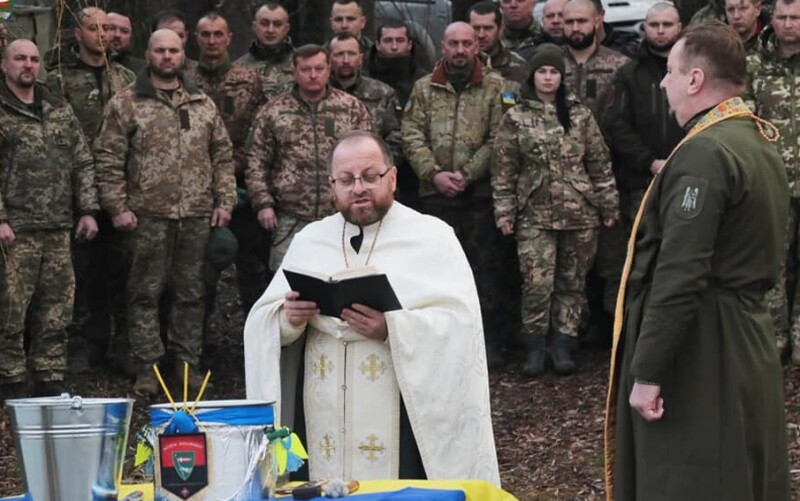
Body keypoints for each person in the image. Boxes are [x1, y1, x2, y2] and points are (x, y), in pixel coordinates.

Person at [244, 130, 500, 484]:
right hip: (321, 413)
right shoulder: (310, 240)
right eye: (346, 180)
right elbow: (262, 322)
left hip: (401, 416)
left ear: (392, 178)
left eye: (369, 176)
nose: (358, 188)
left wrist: (391, 329)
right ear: (332, 186)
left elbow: (459, 326)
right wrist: (288, 320)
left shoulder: (432, 237)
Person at [606, 22, 791, 501]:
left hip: (704, 349)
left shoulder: (706, 153)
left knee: (693, 476)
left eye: (670, 72)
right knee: (739, 470)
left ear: (695, 80)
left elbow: (680, 271)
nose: (662, 83)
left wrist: (648, 371)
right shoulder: (753, 140)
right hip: (744, 337)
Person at [94, 29, 237, 396]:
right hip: (146, 217)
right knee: (144, 294)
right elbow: (108, 159)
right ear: (148, 54)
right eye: (160, 50)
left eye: (174, 50)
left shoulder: (201, 102)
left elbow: (222, 156)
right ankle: (148, 368)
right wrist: (117, 207)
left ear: (182, 54)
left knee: (191, 294)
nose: (167, 56)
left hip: (196, 216)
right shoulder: (127, 102)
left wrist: (224, 201)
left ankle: (187, 366)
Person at [492, 44, 618, 376]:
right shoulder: (516, 117)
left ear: (562, 78)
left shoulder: (580, 115)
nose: (548, 78)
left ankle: (563, 344)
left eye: (554, 72)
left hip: (579, 212)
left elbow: (599, 162)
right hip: (534, 213)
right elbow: (504, 169)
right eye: (542, 72)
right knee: (537, 283)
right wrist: (504, 211)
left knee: (572, 282)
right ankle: (535, 346)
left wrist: (608, 203)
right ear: (532, 76)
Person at [402, 22, 515, 368]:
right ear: (443, 46)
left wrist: (466, 175)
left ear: (477, 46)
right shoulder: (424, 88)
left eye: (467, 43)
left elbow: (500, 136)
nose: (460, 50)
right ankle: (440, 342)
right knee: (437, 271)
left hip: (478, 196)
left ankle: (489, 342)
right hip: (435, 196)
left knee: (486, 271)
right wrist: (433, 174)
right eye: (454, 43)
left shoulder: (496, 86)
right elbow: (411, 133)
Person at [0, 39, 99, 400]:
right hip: (16, 229)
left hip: (58, 226)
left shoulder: (58, 108)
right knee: (10, 308)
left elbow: (82, 160)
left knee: (57, 308)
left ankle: (49, 374)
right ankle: (10, 376)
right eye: (19, 58)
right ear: (4, 65)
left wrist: (88, 210)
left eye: (33, 59)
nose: (28, 65)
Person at [46, 6, 136, 374]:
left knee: (123, 270)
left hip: (121, 189)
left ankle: (123, 346)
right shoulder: (57, 79)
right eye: (93, 27)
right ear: (77, 34)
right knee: (80, 274)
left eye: (107, 28)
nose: (103, 34)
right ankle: (82, 346)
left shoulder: (126, 77)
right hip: (74, 191)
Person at [595, 2, 684, 346]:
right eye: (654, 24)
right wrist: (649, 161)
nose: (660, 31)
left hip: (687, 178)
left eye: (667, 24)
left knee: (679, 255)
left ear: (680, 27)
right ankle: (634, 334)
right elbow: (616, 126)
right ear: (644, 28)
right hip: (640, 183)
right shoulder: (628, 74)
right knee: (639, 261)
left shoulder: (693, 70)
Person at [244, 44, 371, 272]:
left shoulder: (351, 108)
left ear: (328, 69)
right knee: (287, 279)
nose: (313, 75)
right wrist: (263, 203)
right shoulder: (273, 111)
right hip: (290, 217)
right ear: (294, 71)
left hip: (340, 215)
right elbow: (256, 161)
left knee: (343, 275)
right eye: (306, 69)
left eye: (319, 68)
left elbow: (368, 158)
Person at [185, 13, 269, 325]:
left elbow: (260, 132)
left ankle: (255, 335)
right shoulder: (184, 80)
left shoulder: (249, 79)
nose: (212, 41)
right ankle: (198, 341)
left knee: (252, 269)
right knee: (199, 272)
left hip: (243, 186)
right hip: (197, 190)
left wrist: (236, 165)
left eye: (218, 34)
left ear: (229, 38)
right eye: (205, 34)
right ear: (196, 38)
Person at [747, 0, 800, 362]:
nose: (788, 24)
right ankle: (775, 335)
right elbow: (744, 119)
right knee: (772, 262)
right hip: (772, 180)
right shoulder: (754, 63)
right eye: (782, 17)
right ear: (771, 18)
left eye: (796, 17)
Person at [329, 32, 402, 162]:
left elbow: (396, 136)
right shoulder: (320, 94)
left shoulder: (382, 93)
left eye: (351, 54)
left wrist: (377, 165)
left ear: (360, 58)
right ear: (329, 59)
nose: (346, 60)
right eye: (339, 54)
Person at [235, 2, 295, 101]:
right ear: (254, 27)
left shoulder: (301, 64)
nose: (270, 30)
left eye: (277, 24)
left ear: (286, 29)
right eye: (264, 24)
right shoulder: (238, 67)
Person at [469, 1, 530, 84]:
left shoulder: (519, 66)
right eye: (476, 28)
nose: (481, 35)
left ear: (500, 29)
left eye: (487, 28)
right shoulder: (457, 62)